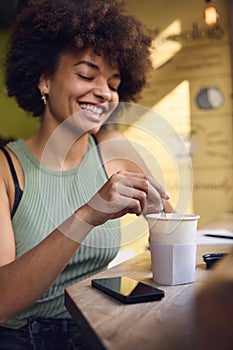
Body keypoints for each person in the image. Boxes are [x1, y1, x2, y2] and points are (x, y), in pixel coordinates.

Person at [0, 0, 172, 348]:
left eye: (113, 81)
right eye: (86, 74)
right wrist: (88, 215)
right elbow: (2, 303)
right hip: (24, 340)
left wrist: (164, 220)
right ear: (45, 80)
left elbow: (168, 230)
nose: (105, 92)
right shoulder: (6, 168)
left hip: (99, 328)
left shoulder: (113, 148)